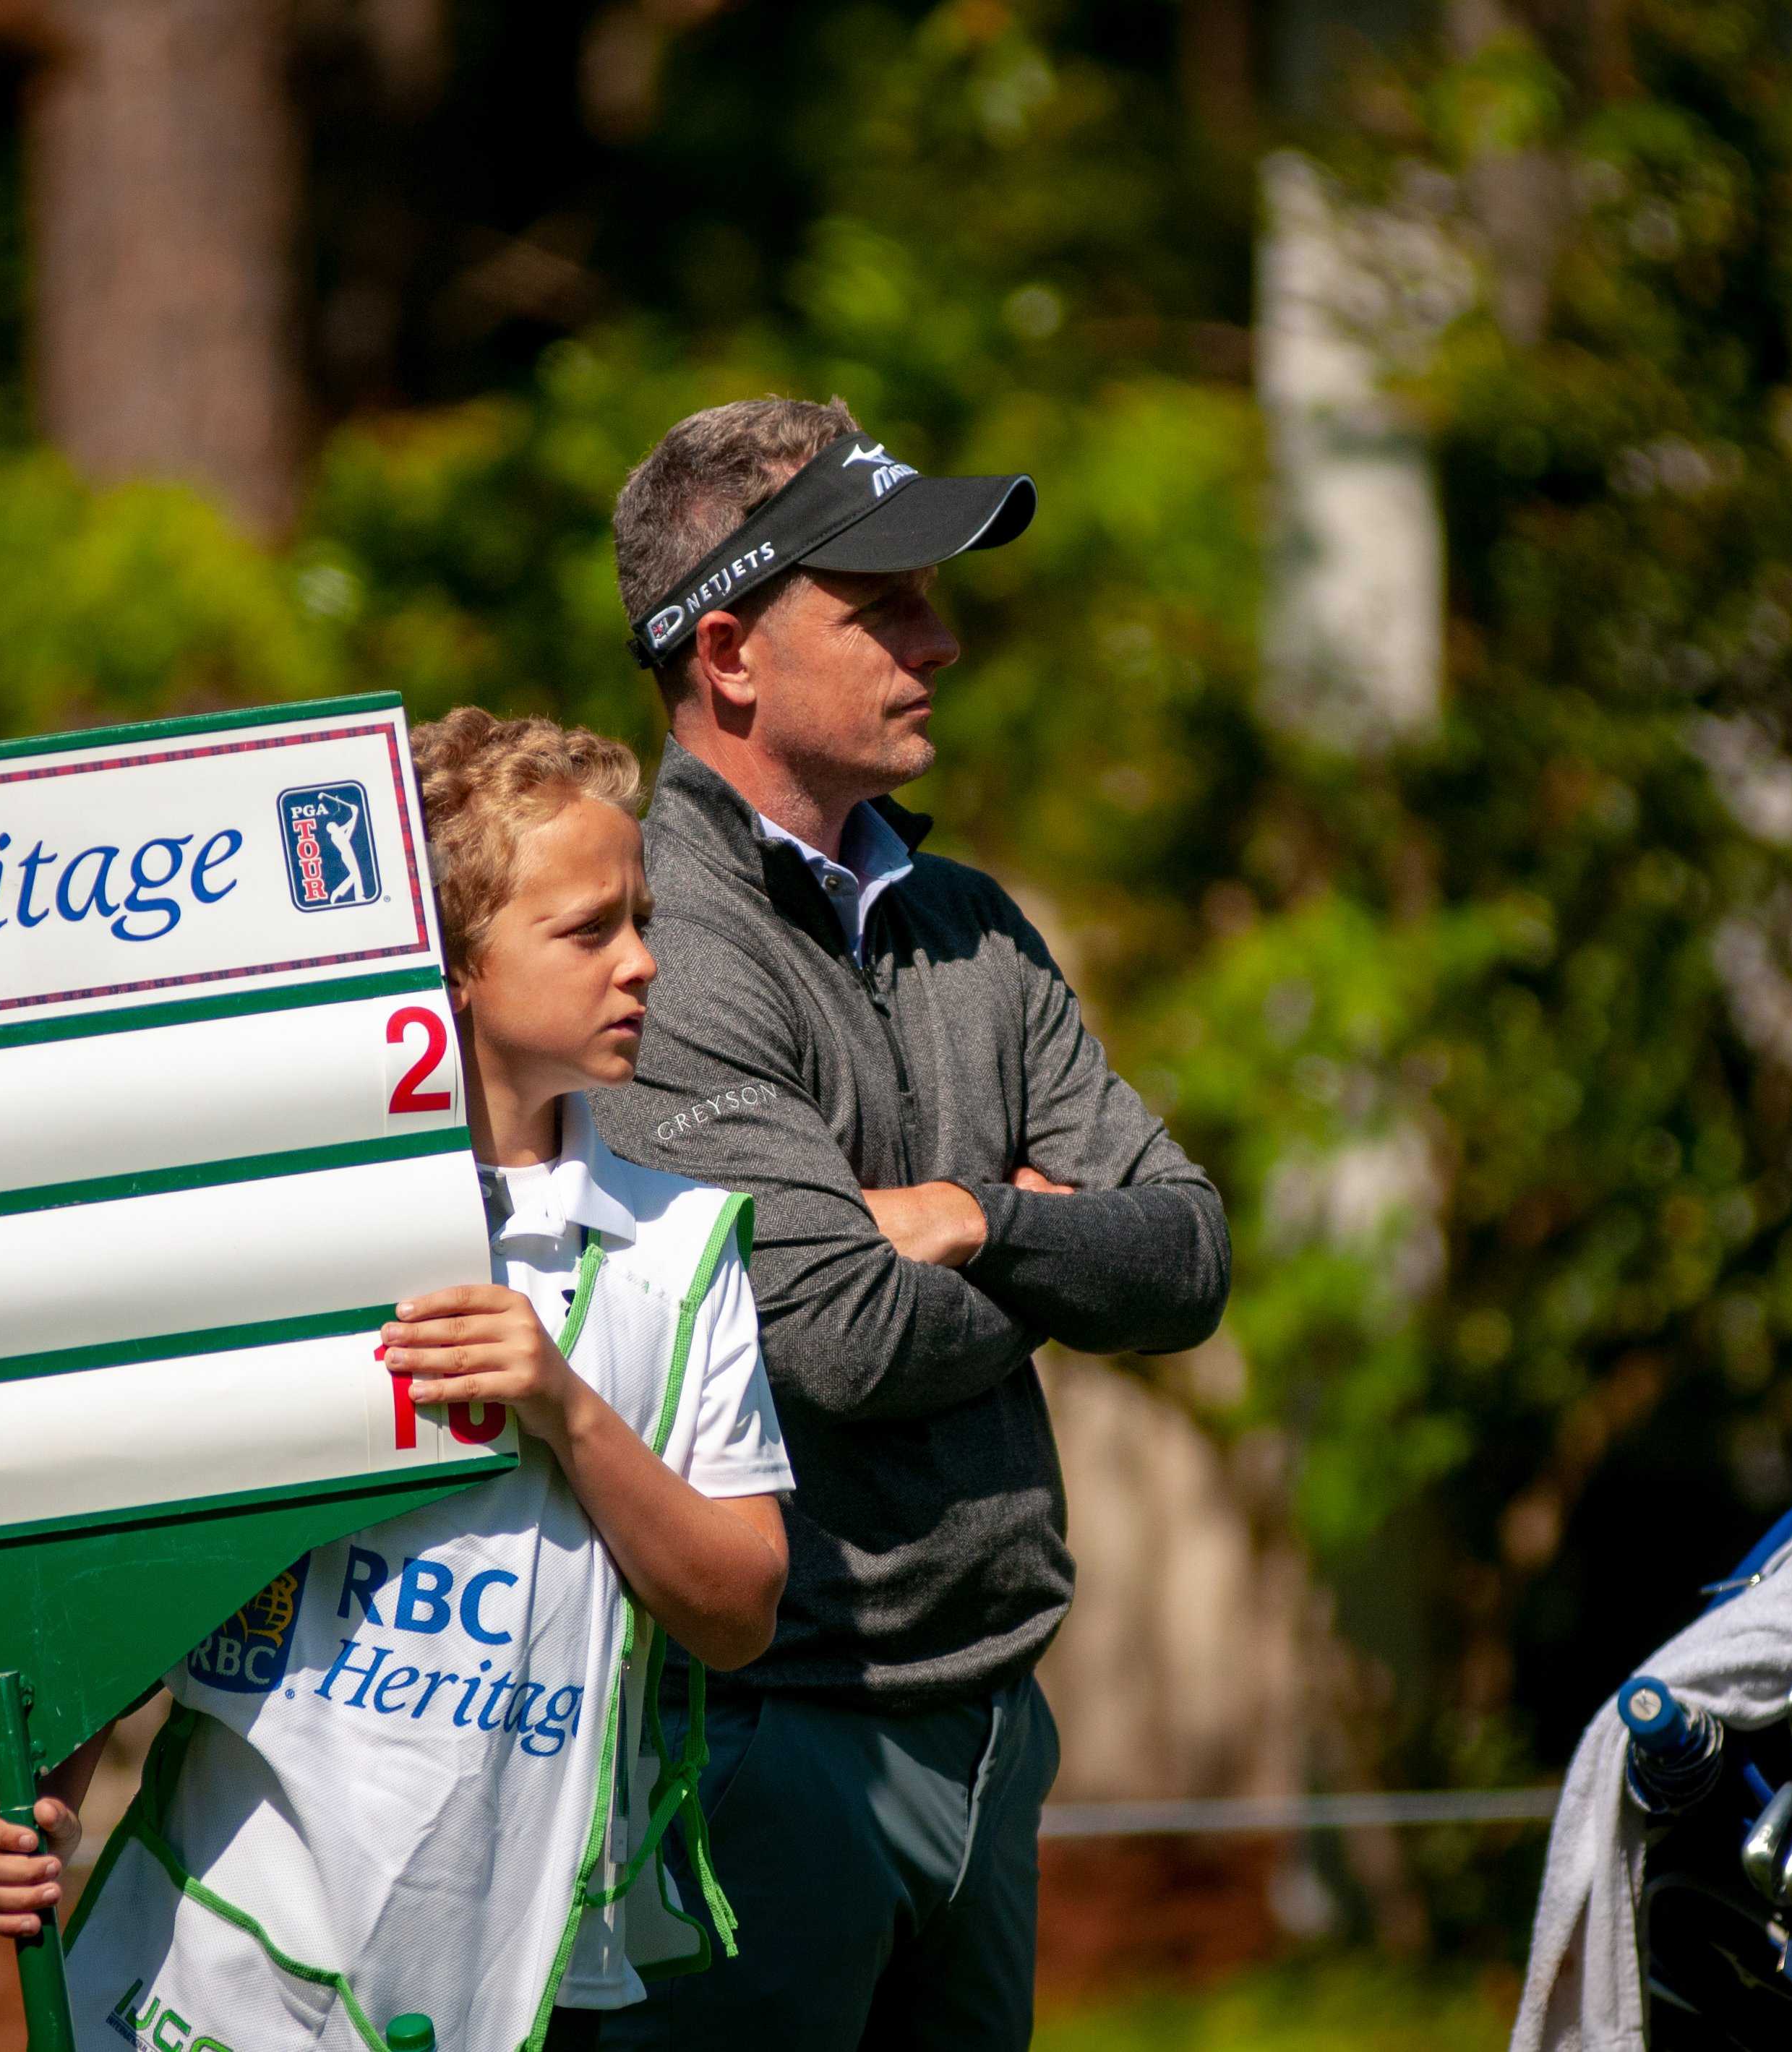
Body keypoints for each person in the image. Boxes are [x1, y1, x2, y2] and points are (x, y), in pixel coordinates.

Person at [0, 711, 794, 2052]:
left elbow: (741, 1610)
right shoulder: (281, 1229)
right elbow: (143, 1563)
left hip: (525, 1976)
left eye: (642, 920)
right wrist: (37, 1799)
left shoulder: (680, 1245)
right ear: (453, 964)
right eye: (590, 930)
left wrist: (568, 1411)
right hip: (216, 1965)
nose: (642, 964)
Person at [588, 398, 1234, 2052]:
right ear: (727, 653)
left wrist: (965, 1220)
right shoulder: (660, 945)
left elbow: (1187, 1255)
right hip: (765, 1744)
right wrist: (1047, 1240)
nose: (940, 642)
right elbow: (840, 1336)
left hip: (995, 1722)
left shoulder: (969, 921)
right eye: (886, 609)